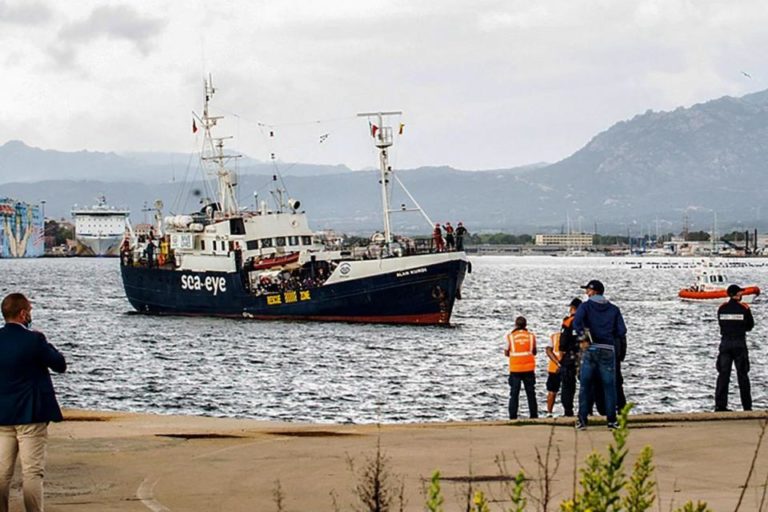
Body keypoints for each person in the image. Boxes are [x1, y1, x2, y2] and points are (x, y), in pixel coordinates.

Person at [0, 293, 67, 512]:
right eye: (29, 311)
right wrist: (47, 344)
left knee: (2, 472)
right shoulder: (35, 340)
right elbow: (59, 364)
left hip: (2, 415)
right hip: (31, 414)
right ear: (22, 314)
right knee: (32, 472)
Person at [573, 280, 626, 430]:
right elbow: (621, 331)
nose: (586, 293)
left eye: (588, 291)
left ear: (594, 291)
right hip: (608, 348)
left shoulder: (585, 306)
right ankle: (612, 421)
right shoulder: (614, 309)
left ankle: (582, 420)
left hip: (591, 349)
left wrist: (584, 336)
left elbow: (576, 323)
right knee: (609, 387)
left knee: (585, 385)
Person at [715, 284, 754, 412]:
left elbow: (721, 324)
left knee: (723, 375)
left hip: (725, 344)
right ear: (736, 295)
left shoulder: (722, 308)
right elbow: (750, 326)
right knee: (742, 375)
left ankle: (720, 406)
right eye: (740, 293)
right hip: (739, 344)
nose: (741, 295)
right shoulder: (744, 308)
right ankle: (747, 407)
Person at [504, 316, 538, 420]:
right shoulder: (531, 336)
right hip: (529, 368)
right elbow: (534, 351)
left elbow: (506, 351)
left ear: (516, 325)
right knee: (531, 393)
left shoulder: (510, 336)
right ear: (525, 325)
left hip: (515, 369)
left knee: (514, 394)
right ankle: (533, 415)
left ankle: (513, 416)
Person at [557, 298, 582, 417]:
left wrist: (560, 359)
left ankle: (568, 410)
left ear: (572, 308)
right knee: (587, 383)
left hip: (570, 356)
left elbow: (562, 342)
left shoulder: (568, 322)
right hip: (584, 355)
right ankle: (587, 409)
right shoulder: (586, 320)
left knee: (567, 384)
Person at [544, 332, 562, 418]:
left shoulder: (554, 336)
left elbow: (548, 350)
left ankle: (549, 412)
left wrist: (557, 363)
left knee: (552, 391)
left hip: (554, 367)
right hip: (567, 366)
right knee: (569, 390)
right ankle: (568, 411)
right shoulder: (574, 335)